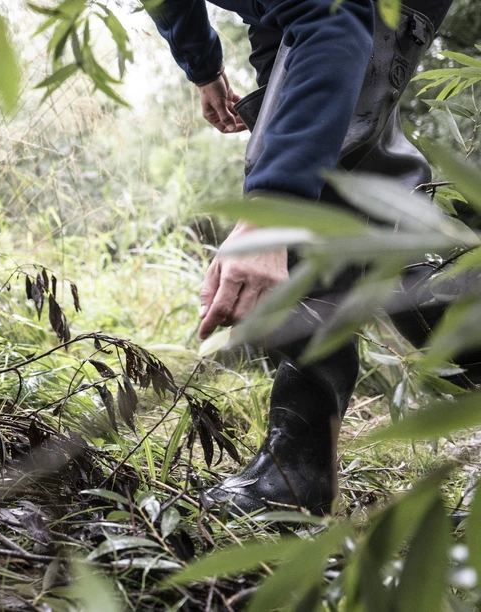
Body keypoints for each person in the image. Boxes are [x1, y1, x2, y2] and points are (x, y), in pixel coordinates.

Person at [149, 0, 462, 515]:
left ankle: (296, 472)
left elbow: (334, 18)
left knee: (306, 189)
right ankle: (299, 471)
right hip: (291, 18)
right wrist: (204, 68)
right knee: (332, 182)